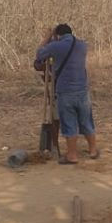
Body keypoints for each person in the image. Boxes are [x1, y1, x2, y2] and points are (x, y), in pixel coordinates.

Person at [35, 23, 98, 164]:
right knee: (87, 121)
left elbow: (39, 55)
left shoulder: (56, 46)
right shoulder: (82, 45)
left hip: (65, 92)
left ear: (58, 35)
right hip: (82, 90)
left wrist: (47, 37)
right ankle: (93, 150)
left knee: (69, 124)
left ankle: (72, 155)